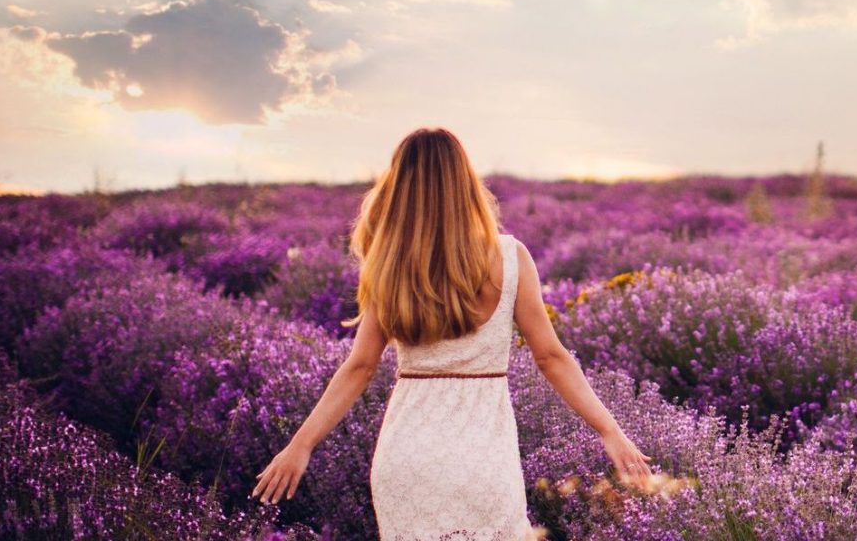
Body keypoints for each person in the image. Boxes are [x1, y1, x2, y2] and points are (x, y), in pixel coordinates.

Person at [250, 127, 652, 539]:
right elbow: (551, 357)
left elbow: (360, 367)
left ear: (399, 186)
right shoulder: (510, 258)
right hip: (483, 459)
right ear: (466, 182)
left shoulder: (389, 263)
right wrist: (610, 432)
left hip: (406, 459)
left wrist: (300, 445)